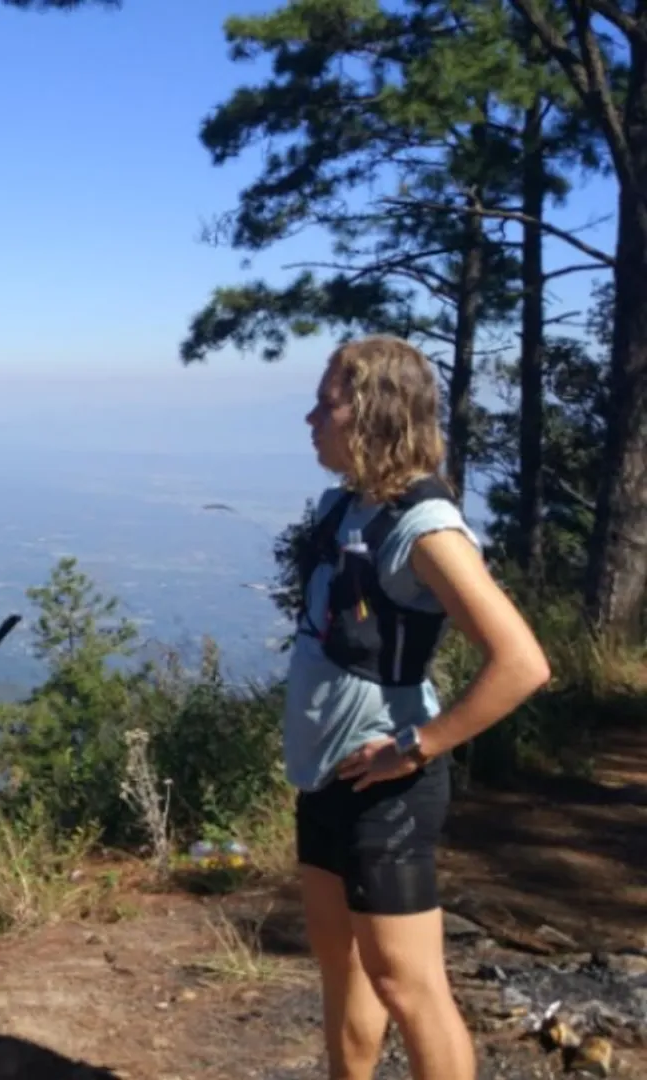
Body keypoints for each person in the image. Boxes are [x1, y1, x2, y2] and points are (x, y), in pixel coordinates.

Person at [288, 335, 551, 1080]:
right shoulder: (349, 507)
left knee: (411, 987)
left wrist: (419, 745)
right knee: (343, 977)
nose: (311, 419)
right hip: (326, 779)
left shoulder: (424, 529)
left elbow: (523, 663)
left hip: (389, 789)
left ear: (370, 412)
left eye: (326, 403)